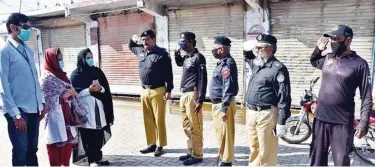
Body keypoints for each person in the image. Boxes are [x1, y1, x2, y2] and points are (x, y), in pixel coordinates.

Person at [309, 25, 372, 166]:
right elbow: (314, 61)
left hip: (342, 121)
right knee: (317, 159)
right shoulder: (328, 58)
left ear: (348, 40)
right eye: (331, 38)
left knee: (341, 160)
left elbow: (366, 96)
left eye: (337, 39)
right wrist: (318, 50)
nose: (333, 42)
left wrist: (363, 123)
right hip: (320, 118)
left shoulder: (360, 64)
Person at [0, 13, 46, 166]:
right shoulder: (4, 52)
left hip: (33, 109)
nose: (28, 31)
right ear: (13, 27)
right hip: (19, 111)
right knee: (20, 151)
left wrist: (42, 103)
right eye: (25, 27)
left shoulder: (28, 50)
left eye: (29, 27)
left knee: (32, 150)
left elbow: (34, 79)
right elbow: (3, 85)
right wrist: (16, 115)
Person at [244, 34, 291, 166]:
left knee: (267, 151)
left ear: (269, 49)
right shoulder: (257, 63)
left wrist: (282, 121)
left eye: (259, 48)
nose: (256, 51)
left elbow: (284, 96)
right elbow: (247, 55)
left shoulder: (278, 68)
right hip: (252, 112)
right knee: (254, 148)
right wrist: (249, 46)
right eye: (256, 48)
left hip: (267, 114)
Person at [129, 29, 173, 157]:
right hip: (144, 90)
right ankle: (151, 143)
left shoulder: (162, 54)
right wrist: (133, 38)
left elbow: (168, 74)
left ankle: (160, 144)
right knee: (147, 119)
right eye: (143, 40)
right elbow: (131, 46)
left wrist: (169, 90)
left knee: (159, 119)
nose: (145, 42)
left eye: (147, 39)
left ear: (154, 40)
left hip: (158, 90)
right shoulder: (140, 51)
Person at [70, 48, 114, 167]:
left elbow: (105, 89)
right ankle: (90, 159)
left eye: (91, 57)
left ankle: (98, 157)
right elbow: (75, 93)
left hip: (99, 107)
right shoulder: (76, 74)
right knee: (88, 134)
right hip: (86, 109)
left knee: (98, 133)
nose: (90, 60)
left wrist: (100, 89)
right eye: (87, 58)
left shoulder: (97, 71)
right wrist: (89, 90)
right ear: (82, 59)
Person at [41, 48, 80, 166]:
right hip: (54, 118)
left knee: (67, 148)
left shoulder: (63, 76)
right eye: (58, 60)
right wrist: (62, 96)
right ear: (51, 60)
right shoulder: (46, 78)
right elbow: (44, 101)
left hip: (67, 117)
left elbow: (72, 92)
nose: (61, 62)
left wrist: (71, 93)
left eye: (62, 59)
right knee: (55, 149)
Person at [174, 32, 207, 165]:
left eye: (185, 41)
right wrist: (177, 51)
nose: (182, 43)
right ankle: (191, 151)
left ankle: (198, 155)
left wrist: (200, 99)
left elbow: (203, 79)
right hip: (184, 94)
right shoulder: (187, 57)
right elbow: (178, 63)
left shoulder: (198, 57)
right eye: (181, 41)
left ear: (192, 42)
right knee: (187, 126)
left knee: (195, 126)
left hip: (193, 95)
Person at [210, 36, 238, 166]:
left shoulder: (228, 64)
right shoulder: (222, 62)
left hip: (223, 103)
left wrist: (224, 108)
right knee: (220, 132)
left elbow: (228, 87)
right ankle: (224, 157)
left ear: (221, 49)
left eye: (214, 49)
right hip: (219, 103)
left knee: (226, 134)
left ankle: (227, 161)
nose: (212, 51)